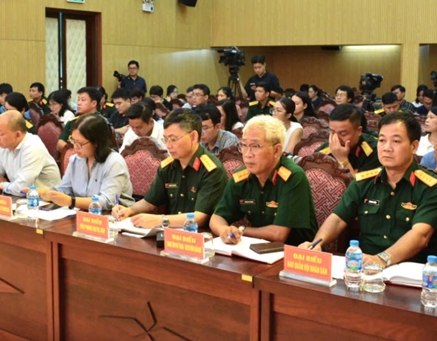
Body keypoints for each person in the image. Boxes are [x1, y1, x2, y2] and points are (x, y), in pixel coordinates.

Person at [300, 112, 437, 266]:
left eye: (396, 141)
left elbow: (420, 235)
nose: (387, 148)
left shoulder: (432, 187)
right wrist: (316, 243)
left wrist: (381, 259)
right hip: (364, 266)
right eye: (382, 140)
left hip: (408, 272)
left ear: (414, 146)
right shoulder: (364, 181)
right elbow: (338, 219)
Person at [210, 116, 318, 246]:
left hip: (294, 251)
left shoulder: (292, 176)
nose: (247, 154)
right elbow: (216, 218)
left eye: (256, 146)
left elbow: (278, 234)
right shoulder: (241, 176)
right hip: (256, 249)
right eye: (244, 145)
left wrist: (240, 231)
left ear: (276, 150)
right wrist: (224, 231)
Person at [113, 109, 226, 228]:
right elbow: (150, 202)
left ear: (193, 137)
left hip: (200, 234)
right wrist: (129, 210)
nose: (168, 146)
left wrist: (160, 220)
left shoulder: (211, 169)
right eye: (165, 139)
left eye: (173, 139)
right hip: (169, 232)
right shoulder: (167, 166)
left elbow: (199, 218)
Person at [41, 114, 132, 211]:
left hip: (114, 215)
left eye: (80, 143)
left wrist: (71, 201)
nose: (75, 147)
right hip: (82, 213)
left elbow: (107, 202)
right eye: (73, 141)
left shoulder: (114, 162)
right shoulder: (75, 160)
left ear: (96, 142)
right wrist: (45, 193)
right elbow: (64, 190)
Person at [0, 111, 61, 195]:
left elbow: (22, 189)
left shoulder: (33, 146)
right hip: (19, 198)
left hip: (46, 200)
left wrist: (2, 185)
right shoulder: (3, 147)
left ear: (17, 135)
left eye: (1, 134)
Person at [314, 104, 380, 175]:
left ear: (359, 131)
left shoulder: (375, 151)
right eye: (332, 132)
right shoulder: (324, 150)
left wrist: (342, 159)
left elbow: (363, 182)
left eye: (343, 134)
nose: (337, 139)